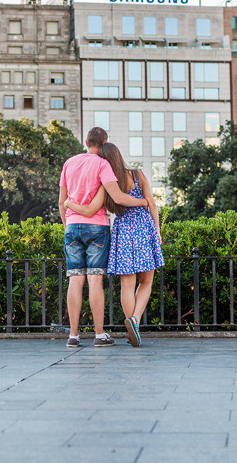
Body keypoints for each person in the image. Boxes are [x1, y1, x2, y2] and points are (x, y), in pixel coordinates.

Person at [65, 142, 163, 348]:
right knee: (146, 282)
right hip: (143, 228)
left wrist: (69, 206)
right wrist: (157, 230)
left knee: (127, 285)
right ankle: (134, 321)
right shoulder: (137, 175)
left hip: (123, 231)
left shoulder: (107, 182)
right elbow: (152, 203)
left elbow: (93, 207)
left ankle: (131, 329)